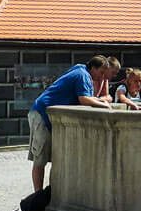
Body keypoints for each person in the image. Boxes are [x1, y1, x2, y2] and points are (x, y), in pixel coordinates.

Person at [27, 54, 117, 190]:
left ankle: (51, 193)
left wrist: (101, 100)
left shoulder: (81, 71)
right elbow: (84, 99)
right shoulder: (83, 75)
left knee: (54, 159)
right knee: (40, 159)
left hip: (48, 116)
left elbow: (89, 97)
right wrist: (105, 105)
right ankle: (37, 195)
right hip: (42, 114)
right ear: (93, 68)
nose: (102, 76)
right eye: (101, 72)